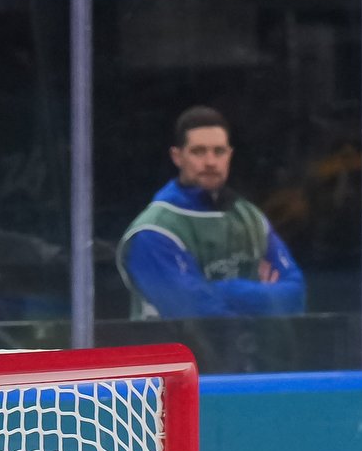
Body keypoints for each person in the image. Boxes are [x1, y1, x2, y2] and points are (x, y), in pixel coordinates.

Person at [117, 106, 306, 320]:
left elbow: (295, 297)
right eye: (198, 151)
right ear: (177, 157)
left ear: (230, 155)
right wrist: (264, 298)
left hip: (252, 343)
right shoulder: (154, 231)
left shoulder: (251, 218)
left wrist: (227, 290)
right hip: (177, 344)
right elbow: (198, 317)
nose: (210, 162)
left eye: (219, 151)